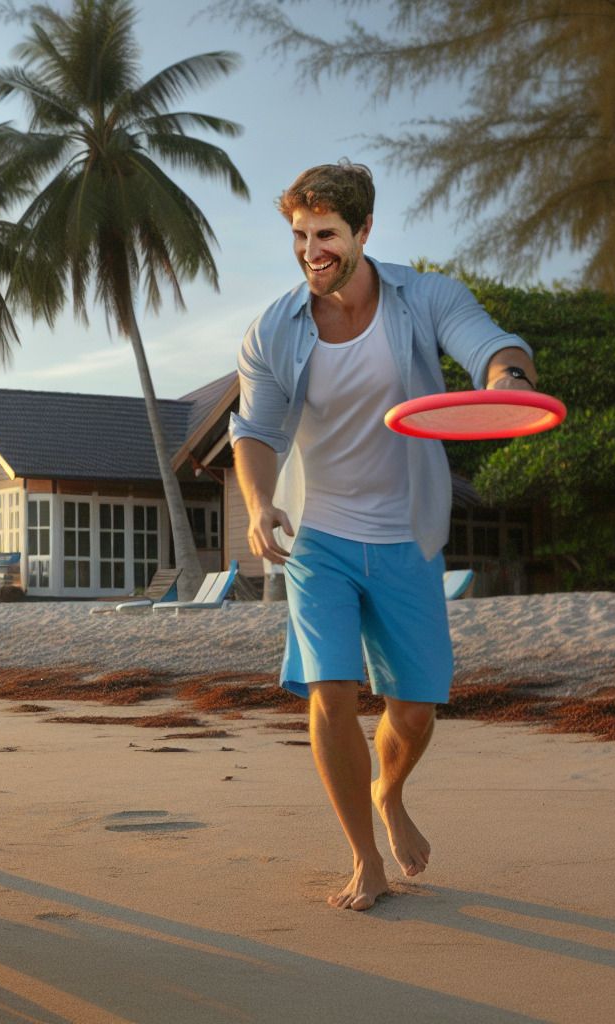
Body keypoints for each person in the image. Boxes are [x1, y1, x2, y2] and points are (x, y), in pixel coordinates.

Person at [230, 161, 540, 911]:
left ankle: (389, 791)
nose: (312, 251)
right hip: (319, 537)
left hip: (408, 533)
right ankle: (364, 857)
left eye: (327, 235)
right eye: (301, 236)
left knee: (415, 708)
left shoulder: (426, 297)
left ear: (364, 230)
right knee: (331, 692)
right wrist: (260, 504)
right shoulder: (272, 330)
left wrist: (507, 381)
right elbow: (256, 432)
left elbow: (492, 345)